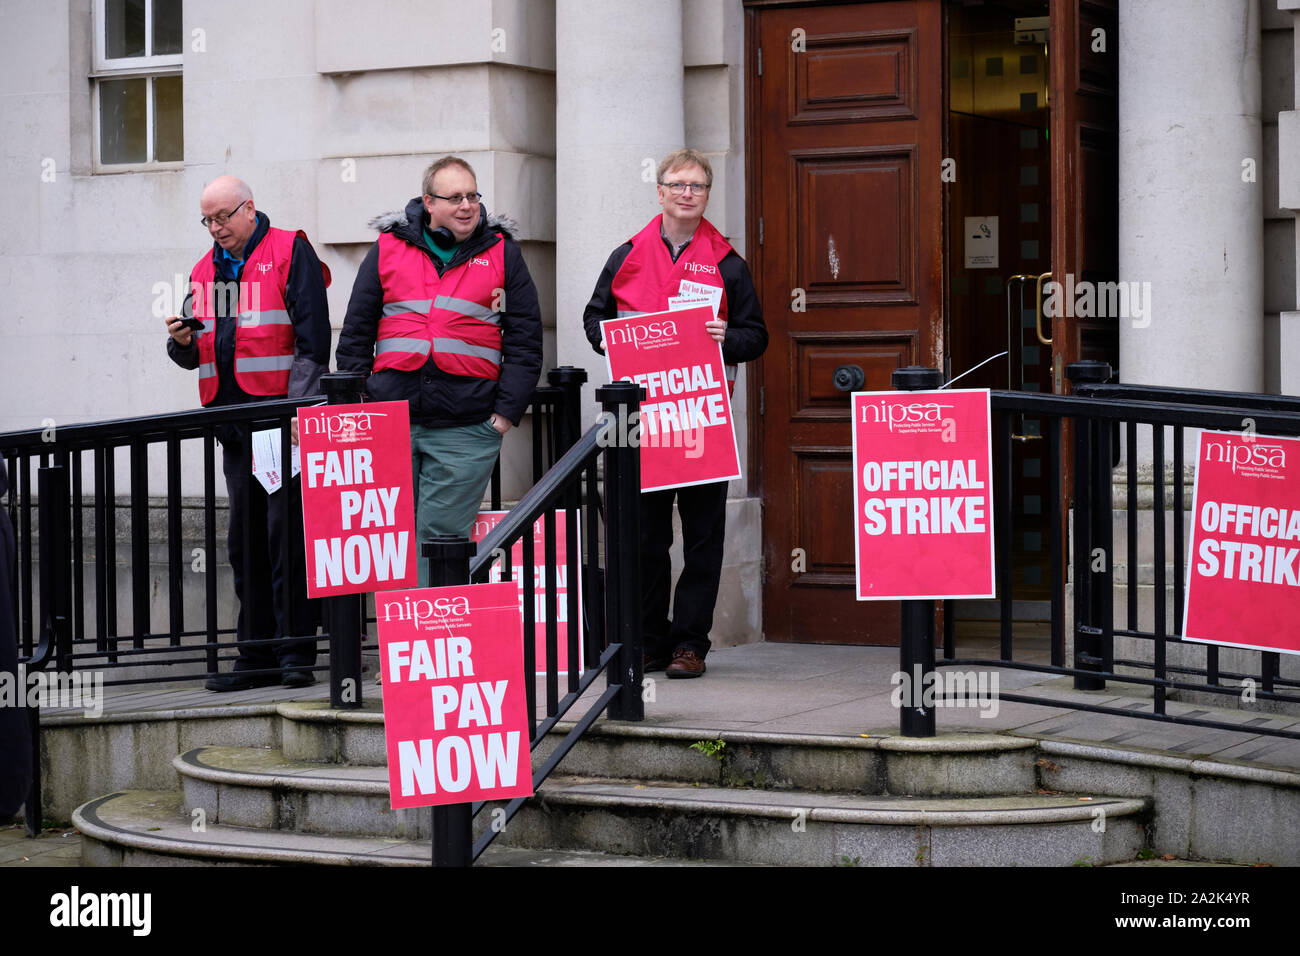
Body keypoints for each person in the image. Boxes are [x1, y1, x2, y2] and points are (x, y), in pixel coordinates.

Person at [584, 148, 768, 679]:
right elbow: (594, 319)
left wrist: (725, 337)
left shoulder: (729, 263)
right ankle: (647, 642)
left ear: (706, 195)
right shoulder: (625, 256)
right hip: (642, 423)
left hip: (700, 421)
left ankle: (691, 645)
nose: (687, 194)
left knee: (703, 537)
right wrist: (616, 341)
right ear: (660, 191)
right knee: (645, 538)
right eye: (678, 185)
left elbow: (757, 336)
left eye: (698, 186)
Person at [335, 156, 543, 584]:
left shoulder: (503, 253)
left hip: (466, 426)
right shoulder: (390, 247)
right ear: (429, 202)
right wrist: (355, 402)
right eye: (455, 198)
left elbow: (525, 340)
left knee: (440, 541)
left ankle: (432, 641)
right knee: (385, 538)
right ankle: (400, 648)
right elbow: (357, 328)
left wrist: (503, 416)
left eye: (473, 196)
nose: (467, 206)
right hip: (388, 417)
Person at [165, 176, 331, 691]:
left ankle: (295, 653)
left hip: (279, 423)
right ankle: (254, 656)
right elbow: (204, 348)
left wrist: (298, 414)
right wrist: (180, 344)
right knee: (246, 542)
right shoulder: (203, 269)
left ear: (249, 209)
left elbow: (313, 339)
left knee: (287, 539)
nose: (215, 229)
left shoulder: (289, 250)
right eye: (207, 220)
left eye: (222, 218)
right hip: (234, 426)